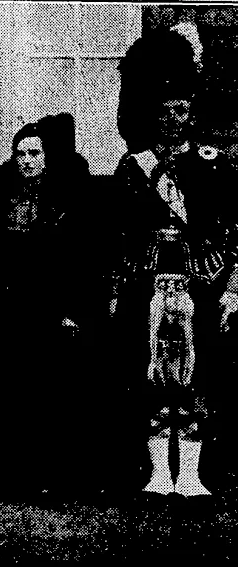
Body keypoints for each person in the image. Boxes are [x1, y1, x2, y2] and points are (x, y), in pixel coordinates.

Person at [112, 28, 238, 498]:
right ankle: (157, 473)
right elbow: (120, 231)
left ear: (191, 114)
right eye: (164, 111)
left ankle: (191, 473)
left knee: (195, 375)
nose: (172, 120)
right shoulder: (134, 166)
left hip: (197, 283)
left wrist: (217, 276)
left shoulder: (210, 165)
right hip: (148, 283)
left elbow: (227, 227)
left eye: (181, 111)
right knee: (152, 376)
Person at [0, 114, 100, 499]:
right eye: (20, 153)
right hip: (10, 305)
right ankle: (10, 476)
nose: (26, 160)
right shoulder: (0, 196)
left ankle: (52, 477)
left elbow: (82, 261)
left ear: (47, 156)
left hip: (51, 307)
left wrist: (73, 309)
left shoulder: (68, 199)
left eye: (34, 153)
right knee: (10, 389)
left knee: (50, 391)